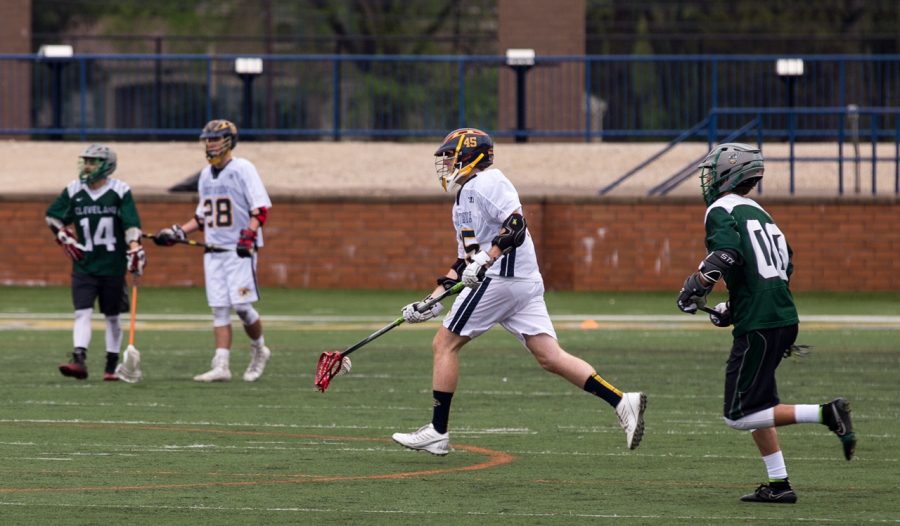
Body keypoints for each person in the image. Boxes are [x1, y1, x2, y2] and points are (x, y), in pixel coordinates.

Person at [391, 128, 647, 456]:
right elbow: (464, 259)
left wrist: (487, 258)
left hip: (502, 278)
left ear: (470, 156)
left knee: (444, 344)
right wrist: (431, 299)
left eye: (451, 155)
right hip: (518, 282)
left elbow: (516, 226)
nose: (446, 163)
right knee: (550, 356)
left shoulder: (489, 182)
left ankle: (438, 432)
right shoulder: (462, 198)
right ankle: (623, 401)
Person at [676, 142, 857, 504]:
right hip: (779, 316)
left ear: (729, 173)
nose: (707, 179)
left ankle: (826, 413)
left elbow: (727, 253)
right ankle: (779, 484)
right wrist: (732, 304)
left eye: (713, 172)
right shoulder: (760, 212)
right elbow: (782, 266)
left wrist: (698, 282)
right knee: (760, 404)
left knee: (739, 415)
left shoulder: (721, 209)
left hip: (761, 322)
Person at [154, 119, 273, 383]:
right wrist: (178, 233)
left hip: (239, 250)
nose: (210, 144)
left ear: (229, 141)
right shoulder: (206, 175)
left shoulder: (243, 168)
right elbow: (202, 217)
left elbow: (261, 209)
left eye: (215, 139)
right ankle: (221, 365)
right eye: (208, 139)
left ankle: (259, 349)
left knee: (241, 306)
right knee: (219, 308)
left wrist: (249, 234)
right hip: (213, 250)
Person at [46, 144, 146, 381]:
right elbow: (53, 216)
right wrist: (62, 235)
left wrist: (134, 247)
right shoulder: (74, 190)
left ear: (107, 165)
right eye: (86, 161)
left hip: (112, 264)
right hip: (85, 264)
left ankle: (111, 366)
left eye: (94, 162)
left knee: (112, 316)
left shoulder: (120, 190)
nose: (88, 166)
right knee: (82, 312)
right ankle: (79, 358)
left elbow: (131, 224)